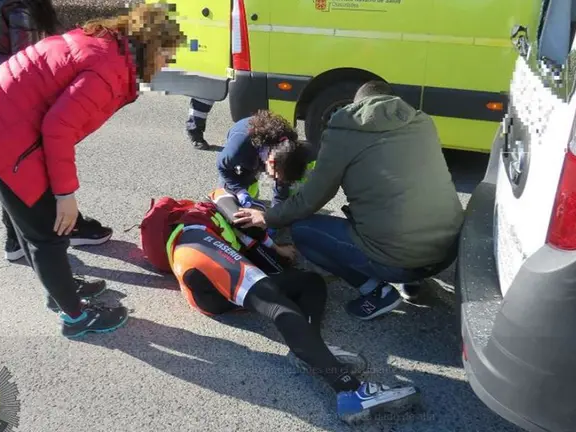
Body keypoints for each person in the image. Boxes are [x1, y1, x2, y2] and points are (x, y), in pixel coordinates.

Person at [0, 2, 187, 337]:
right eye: (168, 55)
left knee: (35, 226)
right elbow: (57, 128)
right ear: (153, 48)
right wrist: (65, 195)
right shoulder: (109, 69)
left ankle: (60, 291)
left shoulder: (105, 43)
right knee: (49, 232)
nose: (166, 64)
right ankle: (75, 318)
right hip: (0, 136)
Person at [161, 193, 421, 424]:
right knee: (277, 306)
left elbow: (261, 251)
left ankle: (308, 352)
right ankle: (351, 391)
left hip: (212, 285)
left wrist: (276, 249)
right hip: (201, 254)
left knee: (309, 282)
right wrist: (263, 232)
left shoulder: (221, 227)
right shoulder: (211, 206)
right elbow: (235, 213)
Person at [233, 81, 464, 321]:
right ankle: (413, 281)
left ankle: (377, 292)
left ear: (359, 106)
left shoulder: (346, 131)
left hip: (400, 259)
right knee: (404, 201)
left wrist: (267, 216)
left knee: (303, 230)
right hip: (447, 252)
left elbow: (310, 200)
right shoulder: (422, 122)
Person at [0, 0, 112, 262]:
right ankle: (62, 229)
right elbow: (29, 62)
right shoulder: (19, 3)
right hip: (8, 98)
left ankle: (17, 237)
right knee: (34, 165)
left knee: (13, 167)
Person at [217, 110, 310, 212]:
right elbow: (222, 166)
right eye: (276, 177)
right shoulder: (238, 150)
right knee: (228, 200)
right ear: (270, 163)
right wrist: (238, 189)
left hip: (264, 151)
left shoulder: (289, 150)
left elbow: (282, 185)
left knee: (263, 181)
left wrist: (277, 212)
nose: (277, 181)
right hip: (246, 144)